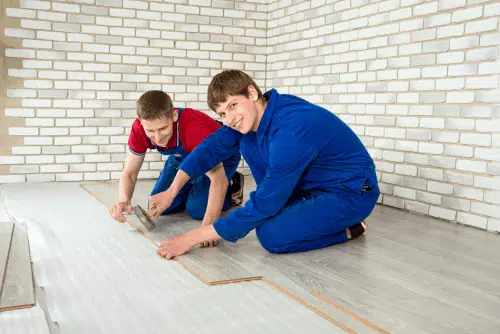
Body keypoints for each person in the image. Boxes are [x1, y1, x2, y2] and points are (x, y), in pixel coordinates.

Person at [150, 70, 380, 259]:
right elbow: (209, 149)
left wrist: (192, 237)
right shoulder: (249, 120)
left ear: (251, 92)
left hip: (352, 190)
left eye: (232, 105)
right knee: (246, 143)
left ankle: (349, 228)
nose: (229, 118)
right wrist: (172, 190)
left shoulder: (291, 128)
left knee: (271, 235)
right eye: (222, 113)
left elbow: (266, 203)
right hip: (306, 188)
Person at [108, 90, 244, 247]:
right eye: (151, 131)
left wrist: (206, 230)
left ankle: (233, 183)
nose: (158, 138)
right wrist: (124, 201)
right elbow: (130, 173)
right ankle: (193, 187)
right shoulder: (139, 128)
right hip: (181, 156)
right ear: (140, 122)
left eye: (163, 129)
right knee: (161, 205)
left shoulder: (195, 128)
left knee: (197, 209)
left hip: (220, 159)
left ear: (174, 116)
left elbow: (218, 179)